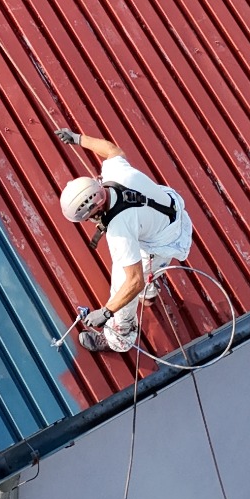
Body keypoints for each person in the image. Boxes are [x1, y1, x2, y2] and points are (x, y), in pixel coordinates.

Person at [57, 130, 192, 354]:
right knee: (145, 271)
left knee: (123, 285)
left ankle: (119, 338)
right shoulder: (116, 174)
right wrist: (78, 138)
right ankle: (150, 292)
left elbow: (134, 281)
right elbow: (111, 149)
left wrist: (107, 312)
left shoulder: (119, 231)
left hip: (160, 242)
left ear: (94, 210)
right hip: (169, 214)